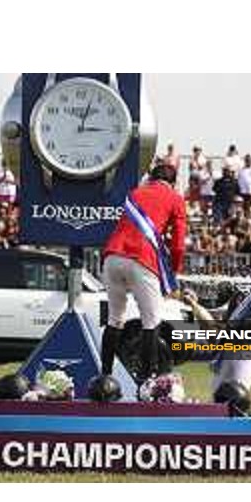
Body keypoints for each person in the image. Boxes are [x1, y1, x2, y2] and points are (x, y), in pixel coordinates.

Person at [99, 163, 187, 395]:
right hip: (142, 259)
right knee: (152, 321)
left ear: (150, 177)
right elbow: (178, 244)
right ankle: (146, 381)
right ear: (174, 182)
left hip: (112, 257)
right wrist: (173, 272)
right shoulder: (175, 198)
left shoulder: (134, 193)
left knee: (115, 319)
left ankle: (104, 377)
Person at [183, 241, 251, 416]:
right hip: (228, 344)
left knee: (238, 396)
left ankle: (242, 436)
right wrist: (196, 301)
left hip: (248, 347)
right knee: (218, 395)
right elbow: (219, 299)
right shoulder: (245, 277)